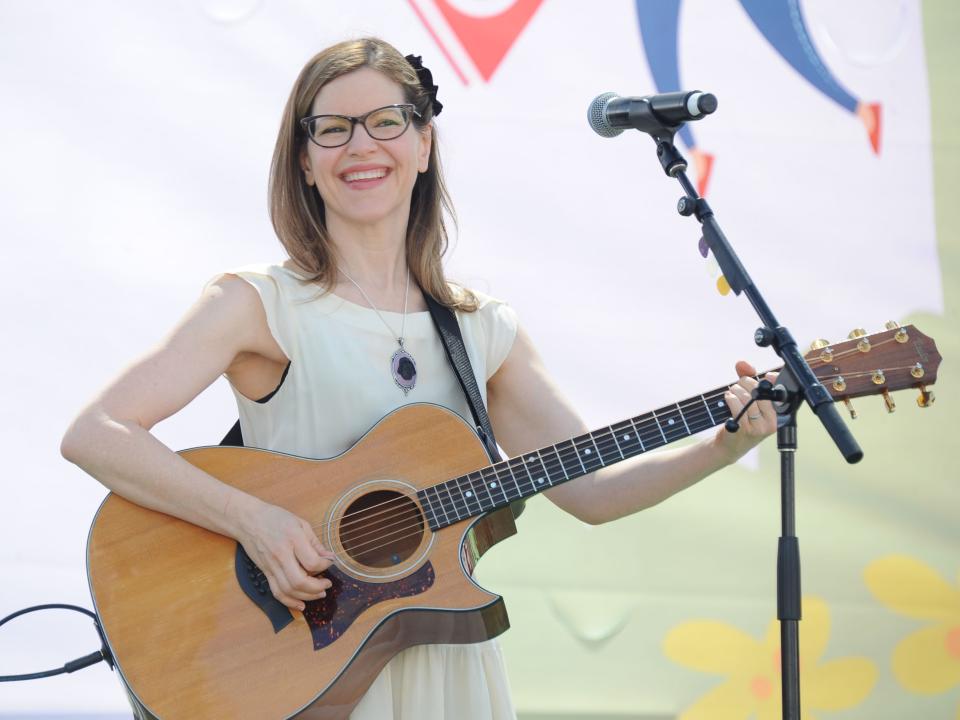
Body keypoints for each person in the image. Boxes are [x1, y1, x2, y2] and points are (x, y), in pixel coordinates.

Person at [60, 37, 777, 720]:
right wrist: (258, 523)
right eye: (333, 129)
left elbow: (591, 491)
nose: (361, 146)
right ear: (305, 161)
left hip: (448, 678)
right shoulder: (258, 303)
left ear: (424, 143)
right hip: (307, 674)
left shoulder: (482, 327)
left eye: (385, 122)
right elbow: (97, 434)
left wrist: (724, 444)